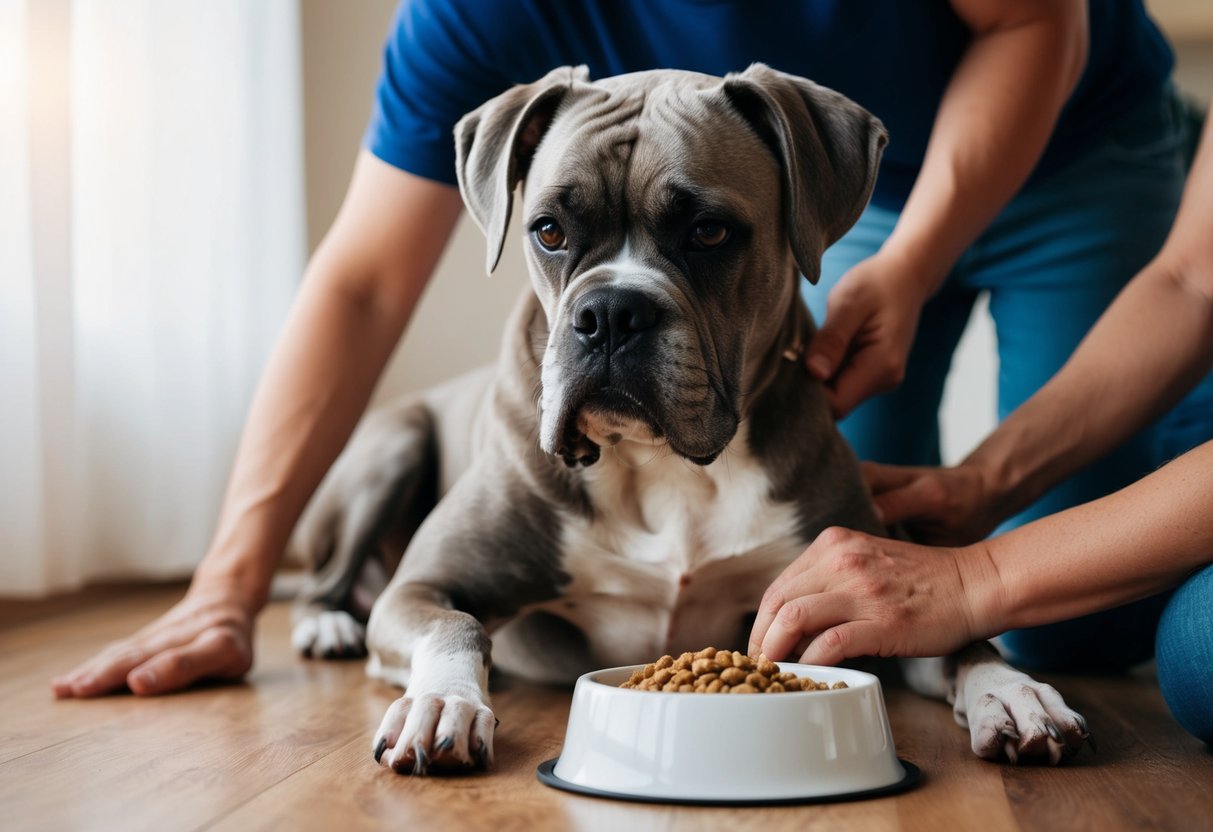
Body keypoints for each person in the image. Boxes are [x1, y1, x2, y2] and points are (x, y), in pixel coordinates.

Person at [51, 1, 1189, 701]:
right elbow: (357, 282)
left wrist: (911, 254)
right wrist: (226, 585)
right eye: (555, 236)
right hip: (807, 196)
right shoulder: (474, 14)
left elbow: (1035, 20)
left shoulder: (782, 171)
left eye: (696, 245)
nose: (608, 310)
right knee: (884, 576)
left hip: (1046, 144)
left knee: (1073, 622)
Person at [749, 106, 1213, 744]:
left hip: (1083, 150)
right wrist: (985, 481)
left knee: (1188, 649)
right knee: (865, 593)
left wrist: (974, 579)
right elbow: (1196, 281)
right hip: (894, 181)